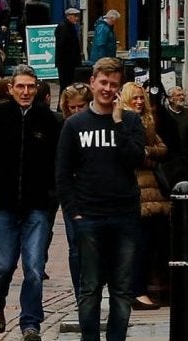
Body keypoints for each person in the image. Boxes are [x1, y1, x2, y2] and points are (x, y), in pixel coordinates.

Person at [56, 56, 147, 341]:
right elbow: (62, 173)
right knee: (90, 287)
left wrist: (119, 123)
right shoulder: (75, 125)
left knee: (122, 289)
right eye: (103, 82)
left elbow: (134, 159)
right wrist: (74, 213)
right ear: (92, 83)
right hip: (89, 216)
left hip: (124, 215)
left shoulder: (131, 121)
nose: (108, 89)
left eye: (114, 84)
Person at [0, 65, 61, 341]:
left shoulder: (49, 120)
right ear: (11, 88)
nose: (26, 92)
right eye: (20, 87)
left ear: (37, 89)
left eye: (31, 87)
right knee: (3, 265)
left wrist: (50, 193)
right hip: (4, 204)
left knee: (35, 268)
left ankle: (31, 322)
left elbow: (58, 162)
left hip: (38, 205)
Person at [120, 83, 170, 311]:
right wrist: (149, 154)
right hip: (137, 191)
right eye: (135, 98)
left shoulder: (148, 122)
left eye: (142, 98)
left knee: (153, 245)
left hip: (155, 191)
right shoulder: (126, 123)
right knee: (138, 246)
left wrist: (148, 153)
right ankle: (136, 290)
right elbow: (134, 154)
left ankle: (151, 287)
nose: (139, 102)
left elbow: (163, 149)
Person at [56, 83, 92, 293]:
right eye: (73, 107)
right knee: (76, 247)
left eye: (81, 106)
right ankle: (81, 294)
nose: (77, 111)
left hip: (95, 192)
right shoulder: (64, 128)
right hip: (72, 195)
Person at [54, 6, 84, 89]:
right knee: (65, 86)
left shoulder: (71, 27)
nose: (77, 19)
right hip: (65, 63)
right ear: (69, 16)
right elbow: (62, 46)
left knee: (70, 85)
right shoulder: (63, 27)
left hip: (71, 63)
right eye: (75, 16)